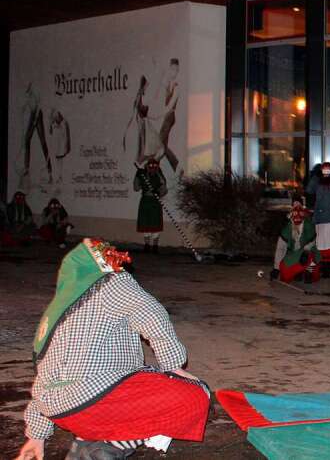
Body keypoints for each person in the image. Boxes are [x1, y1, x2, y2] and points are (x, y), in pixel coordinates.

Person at [17, 238, 209, 460]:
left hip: (64, 413)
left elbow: (45, 378)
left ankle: (86, 442)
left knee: (128, 385)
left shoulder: (56, 312)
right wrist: (173, 365)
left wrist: (36, 436)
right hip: (97, 401)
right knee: (196, 393)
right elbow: (150, 313)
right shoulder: (112, 282)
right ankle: (111, 447)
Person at [273, 201, 320, 283]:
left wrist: (305, 251)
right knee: (285, 271)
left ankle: (308, 272)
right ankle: (298, 272)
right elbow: (280, 248)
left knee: (309, 257)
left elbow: (312, 242)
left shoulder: (308, 226)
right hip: (294, 253)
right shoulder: (287, 229)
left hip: (308, 252)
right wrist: (276, 268)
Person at [133, 159, 166, 254]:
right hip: (145, 201)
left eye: (155, 166)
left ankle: (155, 246)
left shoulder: (159, 175)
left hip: (155, 202)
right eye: (150, 166)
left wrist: (159, 192)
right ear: (147, 166)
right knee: (145, 222)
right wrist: (137, 176)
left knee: (155, 223)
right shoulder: (142, 175)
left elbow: (164, 189)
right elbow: (136, 188)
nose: (152, 168)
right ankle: (147, 245)